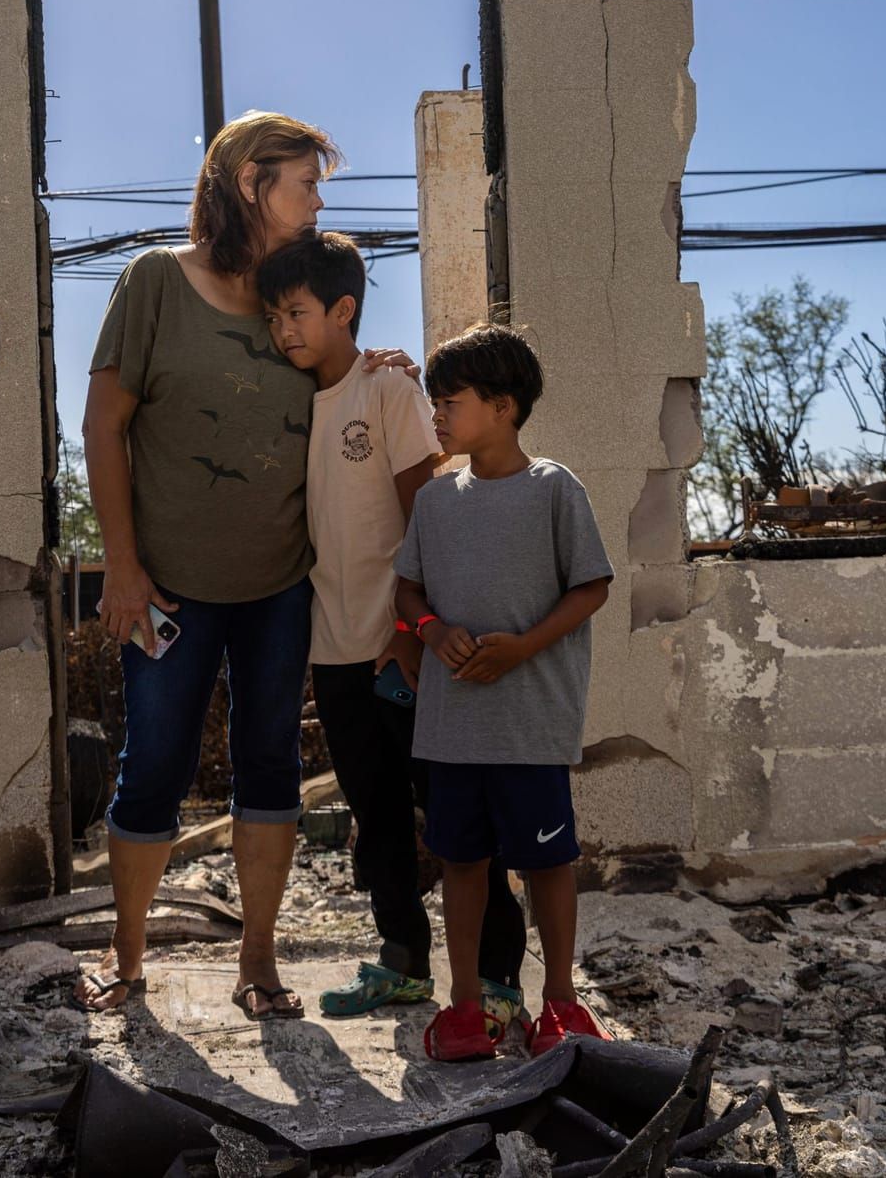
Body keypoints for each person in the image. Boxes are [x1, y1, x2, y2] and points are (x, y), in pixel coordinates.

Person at [72, 112, 408, 1020]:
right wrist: (123, 567)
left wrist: (378, 365)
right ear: (251, 181)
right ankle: (128, 955)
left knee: (269, 768)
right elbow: (104, 427)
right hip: (167, 587)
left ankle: (257, 962)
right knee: (153, 770)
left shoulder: (297, 298)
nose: (318, 201)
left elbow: (344, 384)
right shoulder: (154, 281)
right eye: (306, 181)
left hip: (279, 589)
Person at [256, 233, 532, 1036]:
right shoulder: (294, 404)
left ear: (344, 311)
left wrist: (413, 634)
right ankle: (403, 961)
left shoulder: (388, 392)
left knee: (451, 815)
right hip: (334, 648)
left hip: (398, 644)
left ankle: (496, 975)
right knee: (374, 818)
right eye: (274, 317)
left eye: (297, 312)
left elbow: (430, 517)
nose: (284, 330)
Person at [394, 323, 616, 1061]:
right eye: (435, 402)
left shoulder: (554, 488)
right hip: (452, 728)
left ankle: (560, 1001)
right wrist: (429, 629)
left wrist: (524, 646)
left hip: (531, 724)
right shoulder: (434, 501)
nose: (437, 416)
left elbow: (592, 586)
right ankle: (464, 1007)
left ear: (503, 406)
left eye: (449, 401)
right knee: (462, 863)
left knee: (548, 862)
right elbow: (407, 589)